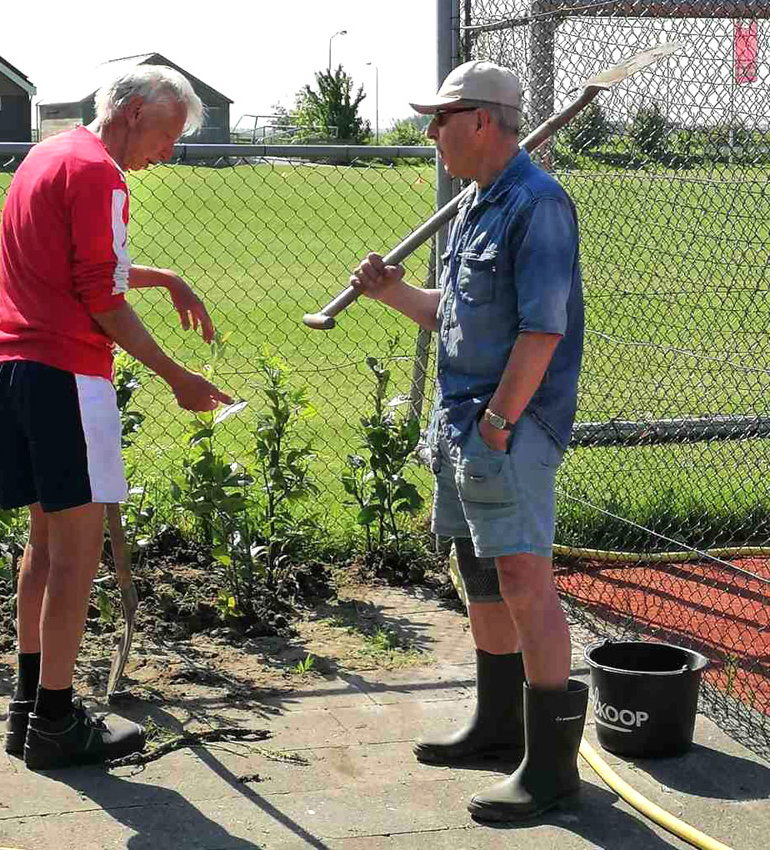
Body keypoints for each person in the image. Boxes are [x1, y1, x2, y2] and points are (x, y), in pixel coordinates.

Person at [350, 60, 587, 822]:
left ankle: (551, 775)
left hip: (506, 429)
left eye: (441, 119)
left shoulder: (537, 205)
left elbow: (542, 329)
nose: (430, 133)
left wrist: (497, 424)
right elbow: (451, 316)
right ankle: (496, 727)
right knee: (479, 575)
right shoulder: (476, 204)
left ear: (482, 121)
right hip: (464, 424)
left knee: (523, 578)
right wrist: (392, 293)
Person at [0, 65, 232, 771]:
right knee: (76, 557)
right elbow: (99, 296)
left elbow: (78, 267)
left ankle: (28, 709)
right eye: (167, 133)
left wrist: (166, 276)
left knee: (43, 545)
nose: (169, 152)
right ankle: (58, 726)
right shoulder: (100, 174)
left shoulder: (48, 155)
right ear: (127, 111)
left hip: (10, 373)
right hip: (66, 377)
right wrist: (177, 375)